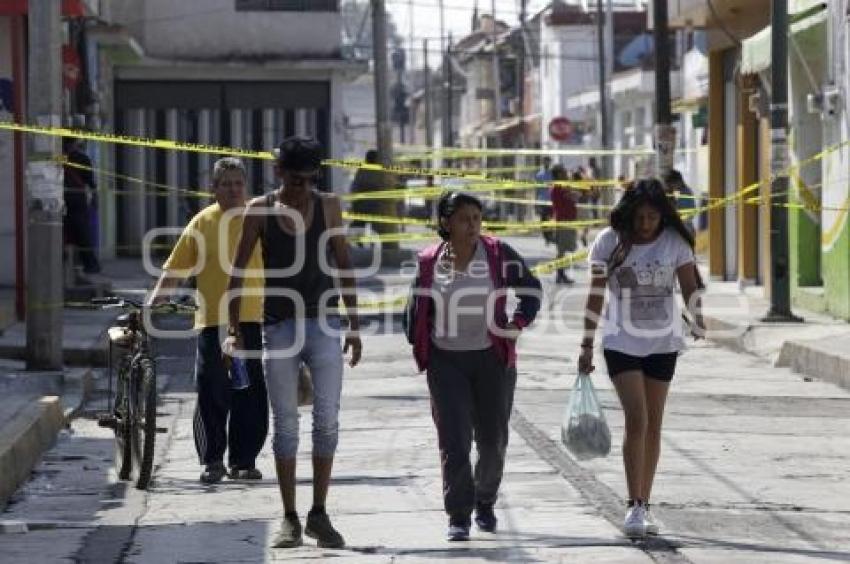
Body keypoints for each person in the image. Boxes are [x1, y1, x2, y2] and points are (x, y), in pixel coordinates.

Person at [227, 136, 362, 549]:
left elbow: (343, 264)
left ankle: (319, 513)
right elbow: (237, 272)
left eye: (309, 179)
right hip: (279, 327)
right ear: (278, 172)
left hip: (323, 323)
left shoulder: (328, 206)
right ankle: (288, 517)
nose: (302, 187)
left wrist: (353, 325)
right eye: (295, 179)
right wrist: (234, 330)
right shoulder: (260, 211)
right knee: (285, 424)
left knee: (328, 421)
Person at [404, 191, 542, 541]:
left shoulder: (496, 253)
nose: (473, 226)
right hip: (445, 361)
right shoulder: (427, 261)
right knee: (454, 440)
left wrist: (518, 322)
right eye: (465, 219)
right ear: (446, 222)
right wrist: (421, 345)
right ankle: (459, 514)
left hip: (491, 359)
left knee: (493, 440)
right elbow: (414, 311)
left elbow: (532, 288)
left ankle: (485, 499)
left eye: (477, 219)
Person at [578, 178, 704, 539]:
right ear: (630, 213)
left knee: (654, 425)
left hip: (663, 341)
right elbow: (595, 294)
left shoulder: (674, 241)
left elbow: (689, 285)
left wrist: (698, 316)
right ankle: (633, 506)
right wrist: (586, 345)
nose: (646, 224)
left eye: (653, 217)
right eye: (641, 217)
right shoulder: (609, 241)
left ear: (662, 215)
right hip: (621, 340)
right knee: (637, 419)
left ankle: (645, 503)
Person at [148, 157, 268, 484]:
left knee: (250, 392)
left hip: (251, 320)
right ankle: (212, 459)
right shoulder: (202, 223)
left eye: (237, 183)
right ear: (213, 189)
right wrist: (154, 301)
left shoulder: (258, 220)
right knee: (210, 390)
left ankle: (244, 460)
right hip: (212, 322)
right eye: (225, 184)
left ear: (246, 187)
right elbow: (175, 270)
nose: (232, 189)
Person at [62, 137, 101, 274]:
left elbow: (91, 182)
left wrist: (95, 200)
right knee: (81, 234)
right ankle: (90, 265)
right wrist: (95, 200)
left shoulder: (62, 158)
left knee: (75, 234)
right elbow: (91, 183)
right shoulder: (82, 158)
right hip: (76, 200)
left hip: (69, 201)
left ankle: (89, 264)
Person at [549, 165, 578, 284]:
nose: (566, 173)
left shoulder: (563, 186)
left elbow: (574, 196)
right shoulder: (558, 187)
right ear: (559, 174)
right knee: (562, 250)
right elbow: (573, 196)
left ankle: (561, 274)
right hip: (563, 221)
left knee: (564, 250)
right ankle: (560, 274)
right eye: (564, 172)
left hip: (568, 221)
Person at [662, 169, 697, 235]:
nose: (669, 187)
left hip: (684, 229)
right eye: (668, 185)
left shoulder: (684, 193)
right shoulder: (675, 192)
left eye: (670, 184)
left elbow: (685, 213)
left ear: (678, 182)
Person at [535, 156, 554, 244]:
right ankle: (546, 236)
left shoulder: (552, 174)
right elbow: (537, 189)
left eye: (548, 162)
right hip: (542, 200)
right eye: (545, 162)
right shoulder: (539, 175)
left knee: (550, 219)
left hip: (551, 200)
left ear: (549, 163)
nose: (546, 163)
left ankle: (549, 235)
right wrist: (536, 203)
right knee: (543, 220)